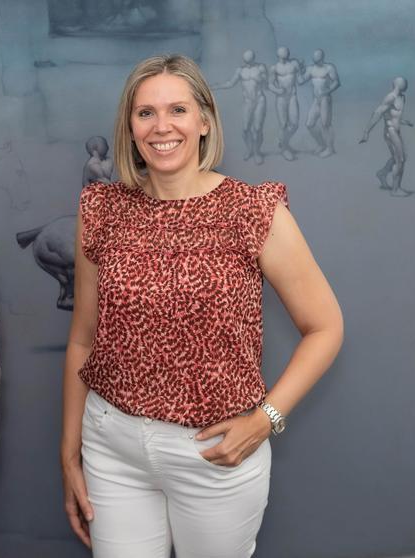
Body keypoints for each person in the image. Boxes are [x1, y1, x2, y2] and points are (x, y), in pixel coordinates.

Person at [61, 54, 343, 558]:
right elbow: (84, 338)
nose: (162, 126)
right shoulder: (101, 209)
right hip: (110, 446)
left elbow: (325, 327)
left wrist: (266, 419)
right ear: (129, 126)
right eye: (145, 113)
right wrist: (69, 454)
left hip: (213, 453)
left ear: (205, 121)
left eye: (178, 110)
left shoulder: (252, 211)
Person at [211, 49, 268, 165]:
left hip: (260, 100)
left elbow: (266, 84)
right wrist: (215, 86)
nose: (248, 63)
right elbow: (230, 83)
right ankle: (249, 149)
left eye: (250, 61)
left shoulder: (261, 68)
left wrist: (260, 78)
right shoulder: (240, 70)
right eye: (246, 61)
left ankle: (257, 152)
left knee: (257, 129)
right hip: (248, 102)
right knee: (246, 129)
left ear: (253, 59)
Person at [359, 76, 413, 197]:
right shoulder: (390, 97)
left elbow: (393, 115)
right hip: (390, 132)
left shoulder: (402, 97)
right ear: (398, 84)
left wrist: (404, 122)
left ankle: (382, 174)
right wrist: (366, 132)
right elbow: (378, 113)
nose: (407, 84)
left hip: (396, 131)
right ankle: (395, 189)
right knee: (400, 159)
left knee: (399, 157)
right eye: (405, 82)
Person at [299, 49, 341, 158]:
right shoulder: (311, 69)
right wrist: (300, 70)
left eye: (318, 59)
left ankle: (330, 149)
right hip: (316, 100)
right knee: (309, 124)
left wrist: (327, 91)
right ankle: (321, 144)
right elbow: (300, 81)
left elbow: (337, 82)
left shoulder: (329, 68)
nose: (316, 61)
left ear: (322, 58)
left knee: (325, 124)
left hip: (325, 99)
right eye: (314, 59)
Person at [268, 46, 304, 161]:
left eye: (285, 56)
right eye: (281, 57)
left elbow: (300, 81)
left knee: (294, 124)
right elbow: (270, 84)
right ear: (278, 56)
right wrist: (277, 90)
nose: (284, 59)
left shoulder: (294, 64)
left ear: (288, 55)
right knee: (283, 124)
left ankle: (283, 141)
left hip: (292, 96)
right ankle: (284, 149)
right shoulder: (274, 68)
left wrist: (302, 69)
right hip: (281, 98)